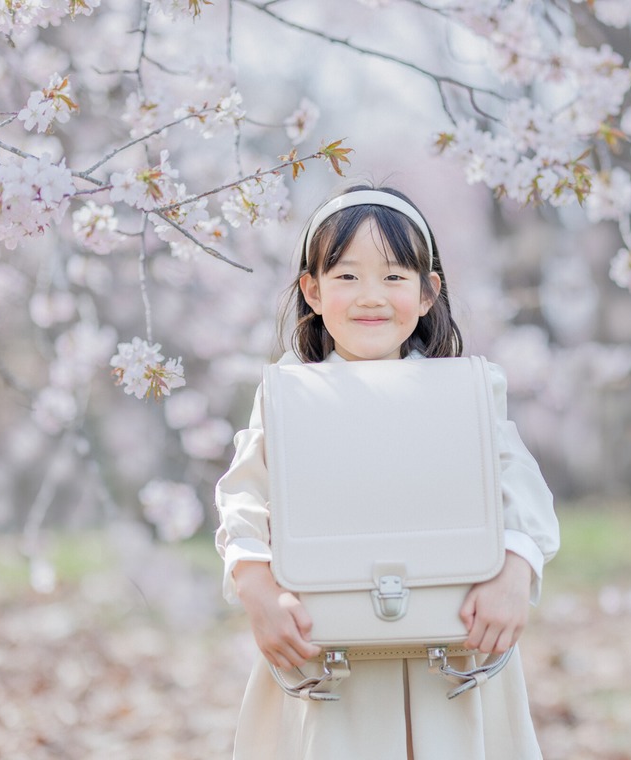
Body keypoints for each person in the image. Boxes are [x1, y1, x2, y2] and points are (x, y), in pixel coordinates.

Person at [214, 184, 561, 759]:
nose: (370, 296)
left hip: (453, 657)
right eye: (347, 276)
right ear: (312, 290)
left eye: (395, 277)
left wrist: (514, 571)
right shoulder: (287, 394)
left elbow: (520, 487)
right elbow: (244, 497)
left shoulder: (468, 390)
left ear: (428, 293)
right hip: (330, 661)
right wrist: (257, 587)